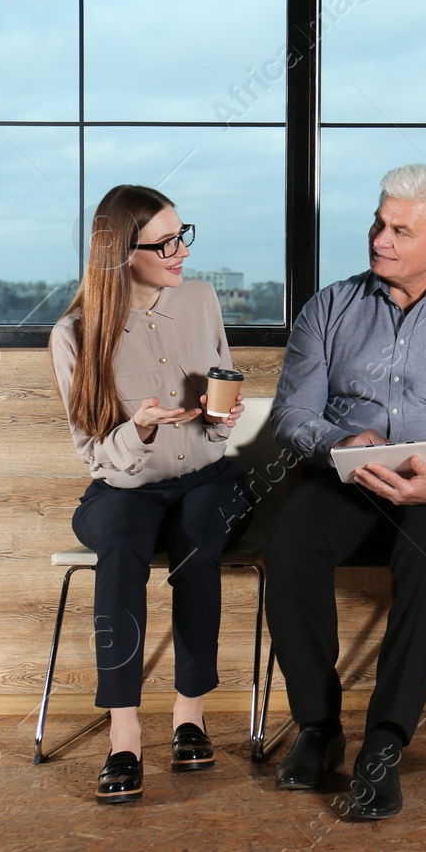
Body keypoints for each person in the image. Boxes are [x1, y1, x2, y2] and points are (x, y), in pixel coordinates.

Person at [265, 163, 426, 820]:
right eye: (380, 224)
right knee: (290, 538)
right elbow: (291, 414)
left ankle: (384, 744)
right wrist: (334, 445)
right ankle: (319, 730)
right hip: (349, 480)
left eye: (400, 230)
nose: (381, 239)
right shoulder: (330, 307)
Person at [50, 184, 251, 805]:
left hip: (209, 480)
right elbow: (94, 455)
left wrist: (224, 418)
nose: (179, 251)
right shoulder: (75, 334)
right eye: (164, 242)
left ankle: (188, 715)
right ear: (120, 252)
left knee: (196, 543)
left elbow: (220, 397)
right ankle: (125, 735)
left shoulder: (201, 298)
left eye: (182, 234)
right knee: (120, 544)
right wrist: (135, 429)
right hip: (126, 484)